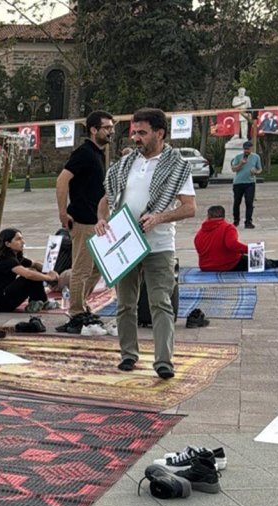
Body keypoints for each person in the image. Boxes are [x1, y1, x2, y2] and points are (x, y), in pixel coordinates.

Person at [96, 108, 197, 379]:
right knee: (125, 304)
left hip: (159, 245)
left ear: (159, 133)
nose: (136, 138)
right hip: (126, 244)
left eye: (142, 132)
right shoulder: (127, 164)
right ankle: (128, 355)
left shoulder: (176, 166)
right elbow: (107, 197)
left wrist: (160, 217)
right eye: (134, 132)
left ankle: (164, 361)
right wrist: (101, 220)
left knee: (160, 303)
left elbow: (190, 208)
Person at [57, 110, 113, 318]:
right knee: (82, 269)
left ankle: (80, 303)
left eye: (111, 128)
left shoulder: (98, 153)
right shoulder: (84, 152)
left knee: (99, 268)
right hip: (82, 219)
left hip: (96, 221)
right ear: (93, 129)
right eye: (106, 128)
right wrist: (63, 212)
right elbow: (62, 180)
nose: (111, 132)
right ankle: (76, 311)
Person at [0, 228, 61, 313]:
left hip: (4, 297)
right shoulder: (5, 259)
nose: (23, 242)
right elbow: (28, 274)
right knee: (31, 275)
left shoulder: (14, 256)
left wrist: (48, 271)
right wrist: (48, 277)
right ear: (7, 243)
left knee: (34, 272)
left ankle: (38, 301)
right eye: (18, 239)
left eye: (22, 238)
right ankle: (41, 302)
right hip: (1, 304)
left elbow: (34, 264)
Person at [195, 205, 278, 272]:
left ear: (208, 216)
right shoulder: (228, 227)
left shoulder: (201, 231)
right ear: (223, 216)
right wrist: (250, 249)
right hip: (228, 264)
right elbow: (232, 245)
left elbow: (198, 245)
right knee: (261, 262)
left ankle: (272, 261)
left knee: (249, 259)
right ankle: (274, 263)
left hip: (206, 266)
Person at [230, 140, 262, 229]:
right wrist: (241, 163)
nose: (246, 151)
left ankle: (248, 222)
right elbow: (233, 169)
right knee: (237, 202)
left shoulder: (256, 157)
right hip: (238, 183)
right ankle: (236, 220)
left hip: (250, 183)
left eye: (248, 149)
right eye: (245, 149)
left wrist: (255, 172)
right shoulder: (238, 157)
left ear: (251, 148)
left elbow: (259, 169)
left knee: (249, 202)